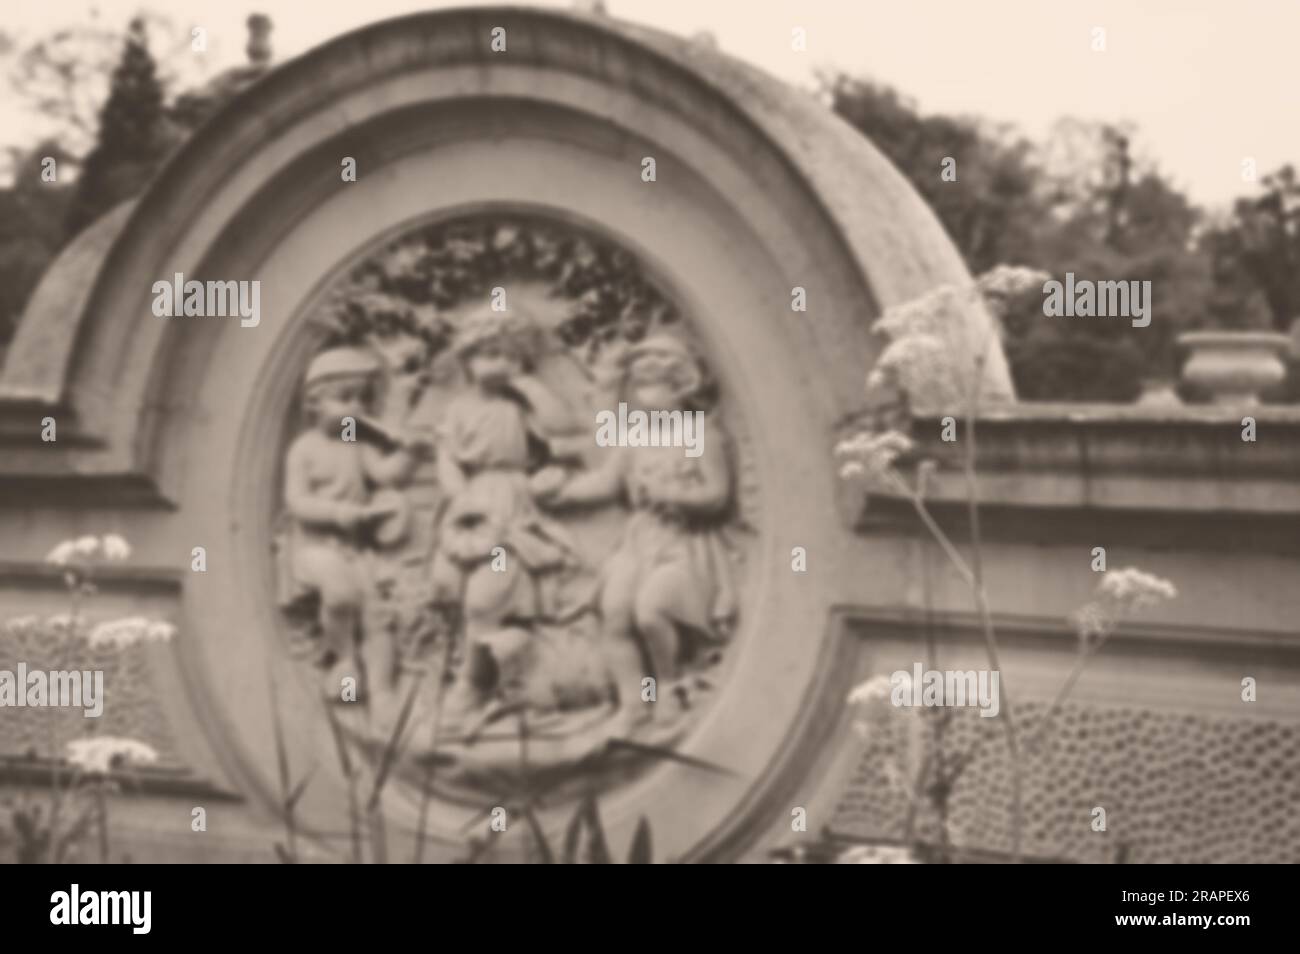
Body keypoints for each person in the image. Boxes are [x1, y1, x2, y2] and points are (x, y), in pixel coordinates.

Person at [531, 334, 736, 722]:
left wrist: (672, 495)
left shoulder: (701, 436)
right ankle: (633, 702)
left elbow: (717, 495)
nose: (644, 395)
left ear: (681, 386)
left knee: (651, 611)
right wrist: (559, 493)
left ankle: (668, 684)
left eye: (654, 384)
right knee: (615, 613)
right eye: (639, 385)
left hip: (682, 541)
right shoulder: (637, 438)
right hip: (639, 541)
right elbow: (606, 484)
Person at [280, 346, 421, 687]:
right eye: (344, 398)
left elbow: (387, 476)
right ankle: (343, 658)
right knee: (340, 594)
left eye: (361, 398)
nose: (355, 407)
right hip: (313, 547)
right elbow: (297, 501)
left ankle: (380, 693)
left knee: (376, 617)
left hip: (354, 550)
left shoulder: (354, 442)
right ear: (314, 404)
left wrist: (409, 453)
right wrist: (341, 513)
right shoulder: (305, 449)